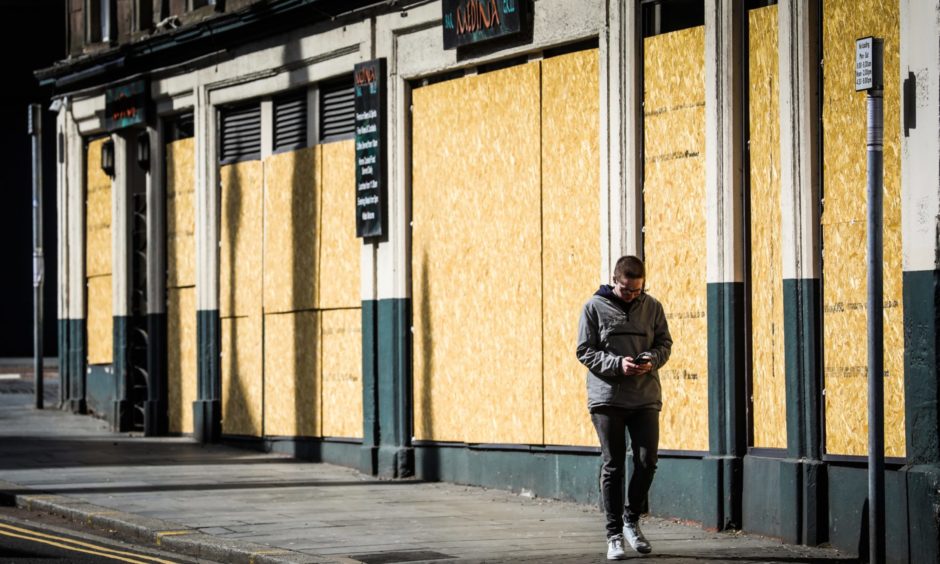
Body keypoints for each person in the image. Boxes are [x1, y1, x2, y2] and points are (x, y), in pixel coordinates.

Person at [576, 255, 672, 560]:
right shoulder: (593, 307)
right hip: (608, 398)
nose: (632, 295)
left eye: (637, 291)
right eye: (626, 290)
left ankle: (632, 520)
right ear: (613, 281)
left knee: (647, 461)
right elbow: (584, 350)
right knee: (614, 464)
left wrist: (651, 359)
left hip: (645, 396)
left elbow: (664, 344)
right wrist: (618, 364)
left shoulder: (652, 306)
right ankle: (614, 534)